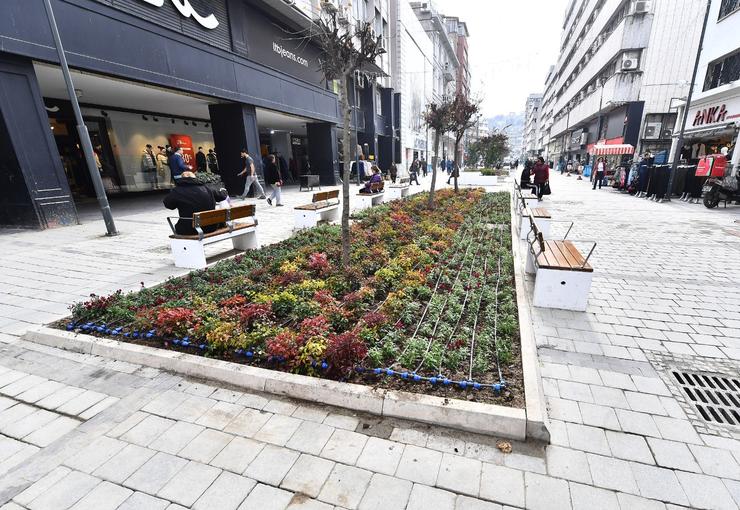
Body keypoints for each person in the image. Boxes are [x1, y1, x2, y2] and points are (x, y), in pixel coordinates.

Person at [163, 171, 227, 235]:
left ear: (181, 179)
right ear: (195, 178)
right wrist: (223, 191)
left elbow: (168, 205)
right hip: (211, 227)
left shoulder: (177, 191)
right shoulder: (207, 188)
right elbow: (222, 196)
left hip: (189, 229)